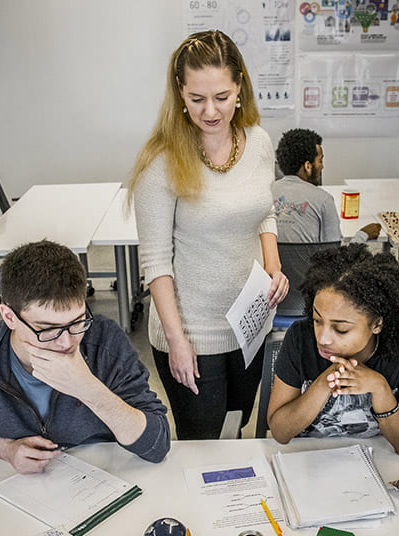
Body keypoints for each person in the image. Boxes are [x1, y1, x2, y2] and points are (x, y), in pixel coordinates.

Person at [127, 30, 289, 440]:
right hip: (193, 330)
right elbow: (156, 263)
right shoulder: (161, 161)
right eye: (197, 99)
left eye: (221, 96)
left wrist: (272, 264)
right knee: (202, 440)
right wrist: (178, 341)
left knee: (237, 425)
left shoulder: (259, 142)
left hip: (250, 320)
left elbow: (264, 211)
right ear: (180, 93)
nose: (211, 111)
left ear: (240, 87)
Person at [0, 240, 170, 473]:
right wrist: (4, 448)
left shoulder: (105, 342)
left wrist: (89, 390)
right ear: (9, 317)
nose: (66, 342)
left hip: (102, 476)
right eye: (47, 329)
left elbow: (156, 444)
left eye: (77, 322)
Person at [267, 244, 399, 455]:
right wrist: (322, 385)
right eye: (317, 320)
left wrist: (380, 389)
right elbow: (280, 433)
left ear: (377, 324)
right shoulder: (300, 337)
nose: (323, 338)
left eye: (341, 329)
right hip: (307, 460)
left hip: (378, 460)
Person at [271, 128, 342, 243]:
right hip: (310, 261)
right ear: (308, 166)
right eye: (320, 161)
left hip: (267, 261)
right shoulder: (324, 200)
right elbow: (335, 249)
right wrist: (362, 235)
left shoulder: (264, 193)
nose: (322, 167)